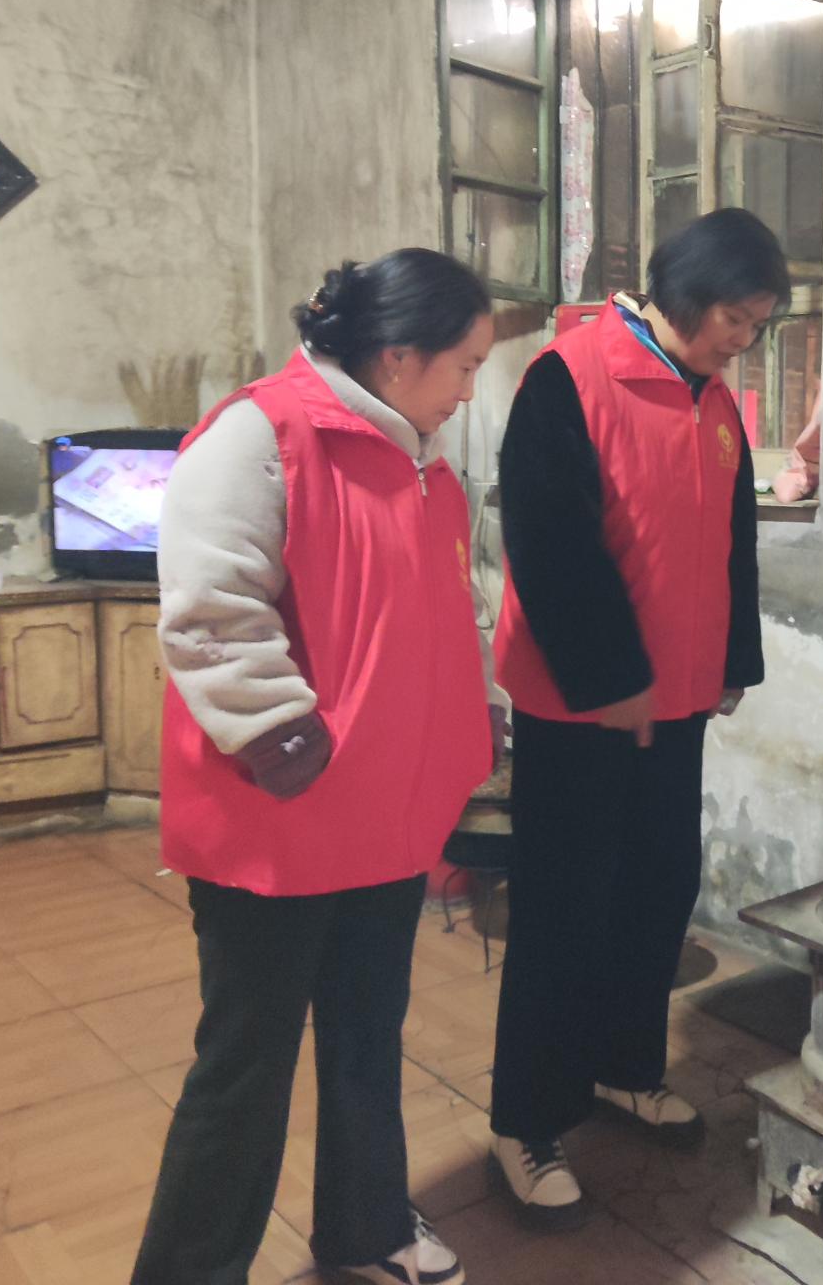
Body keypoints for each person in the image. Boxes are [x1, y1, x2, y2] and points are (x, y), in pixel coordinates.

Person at [131, 249, 499, 1285]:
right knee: (245, 1068)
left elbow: (449, 614)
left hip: (385, 821)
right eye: (465, 366)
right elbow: (210, 611)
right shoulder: (262, 435)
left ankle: (365, 1229)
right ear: (399, 356)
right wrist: (291, 746)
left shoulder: (422, 463)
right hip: (280, 823)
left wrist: (476, 722)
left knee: (366, 1036)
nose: (471, 391)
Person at [487, 208, 786, 1228]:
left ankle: (621, 1068)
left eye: (757, 326)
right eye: (736, 320)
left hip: (677, 700)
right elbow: (547, 543)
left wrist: (732, 662)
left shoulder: (715, 402)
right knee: (564, 904)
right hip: (583, 704)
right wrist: (609, 678)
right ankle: (525, 1119)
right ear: (688, 296)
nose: (743, 340)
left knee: (658, 887)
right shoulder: (568, 379)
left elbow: (732, 544)